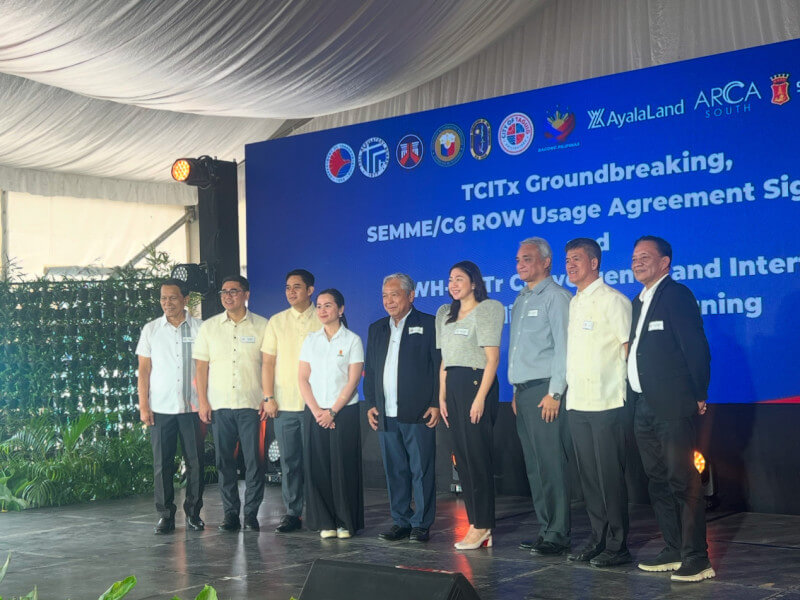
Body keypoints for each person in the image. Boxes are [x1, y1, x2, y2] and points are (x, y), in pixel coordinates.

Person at [627, 236, 714, 582]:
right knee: (658, 481)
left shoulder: (676, 295)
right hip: (643, 404)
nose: (637, 262)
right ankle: (674, 548)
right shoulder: (637, 301)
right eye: (634, 257)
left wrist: (699, 393)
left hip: (673, 404)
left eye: (645, 256)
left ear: (665, 262)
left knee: (683, 480)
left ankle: (697, 557)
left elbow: (696, 348)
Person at [564, 238, 633, 567]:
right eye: (567, 260)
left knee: (609, 478)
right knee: (589, 479)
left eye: (576, 259)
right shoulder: (574, 302)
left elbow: (628, 349)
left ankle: (618, 545)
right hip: (578, 402)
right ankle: (598, 538)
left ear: (594, 263)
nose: (570, 265)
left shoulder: (613, 300)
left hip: (607, 402)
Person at [364, 273, 441, 543]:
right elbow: (371, 370)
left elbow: (438, 366)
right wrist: (371, 403)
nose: (389, 301)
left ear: (411, 295)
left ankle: (421, 523)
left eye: (394, 294)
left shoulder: (429, 324)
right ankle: (401, 521)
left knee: (421, 470)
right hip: (386, 413)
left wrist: (436, 402)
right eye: (385, 295)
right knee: (395, 471)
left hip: (419, 412)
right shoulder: (376, 328)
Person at [508, 238, 573, 555]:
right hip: (524, 393)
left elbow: (564, 348)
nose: (520, 265)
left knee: (551, 465)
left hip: (546, 391)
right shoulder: (521, 299)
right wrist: (514, 390)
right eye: (518, 260)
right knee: (535, 467)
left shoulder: (557, 297)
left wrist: (555, 392)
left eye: (528, 259)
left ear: (546, 262)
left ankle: (558, 533)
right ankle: (546, 529)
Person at [435, 260, 504, 550]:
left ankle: (484, 524)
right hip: (453, 386)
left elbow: (492, 359)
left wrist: (480, 398)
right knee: (462, 459)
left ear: (474, 282)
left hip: (477, 384)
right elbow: (444, 360)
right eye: (450, 279)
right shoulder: (444, 314)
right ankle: (475, 523)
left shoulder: (488, 309)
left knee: (477, 458)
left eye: (459, 278)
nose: (453, 284)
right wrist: (441, 395)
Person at [194, 275, 268, 532]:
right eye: (224, 292)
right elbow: (201, 368)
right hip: (220, 405)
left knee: (254, 462)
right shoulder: (209, 327)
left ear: (246, 294)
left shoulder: (263, 326)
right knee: (224, 463)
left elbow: (270, 366)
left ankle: (251, 515)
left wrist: (267, 397)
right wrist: (203, 401)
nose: (227, 296)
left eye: (233, 291)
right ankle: (230, 515)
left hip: (252, 404)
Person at [136, 278, 205, 534]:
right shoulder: (151, 329)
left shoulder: (201, 329)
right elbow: (144, 371)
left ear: (185, 299)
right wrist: (144, 405)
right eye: (163, 298)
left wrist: (206, 402)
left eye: (173, 297)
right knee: (162, 464)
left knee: (196, 463)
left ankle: (193, 514)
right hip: (160, 409)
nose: (167, 303)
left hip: (193, 408)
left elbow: (207, 368)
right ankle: (165, 515)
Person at [298, 288, 364, 539]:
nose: (322, 310)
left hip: (343, 412)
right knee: (318, 467)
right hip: (315, 412)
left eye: (328, 305)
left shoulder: (352, 340)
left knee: (343, 467)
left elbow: (353, 381)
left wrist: (332, 412)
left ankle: (345, 522)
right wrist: (317, 411)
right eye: (319, 306)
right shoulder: (310, 340)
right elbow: (303, 378)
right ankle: (325, 522)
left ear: (341, 309)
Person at [260, 269, 322, 533]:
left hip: (317, 405)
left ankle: (321, 512)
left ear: (310, 290)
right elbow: (267, 363)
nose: (291, 292)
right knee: (290, 462)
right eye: (287, 287)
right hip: (284, 404)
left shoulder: (323, 317)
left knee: (318, 462)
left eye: (297, 287)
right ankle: (293, 513)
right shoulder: (277, 321)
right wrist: (268, 397)